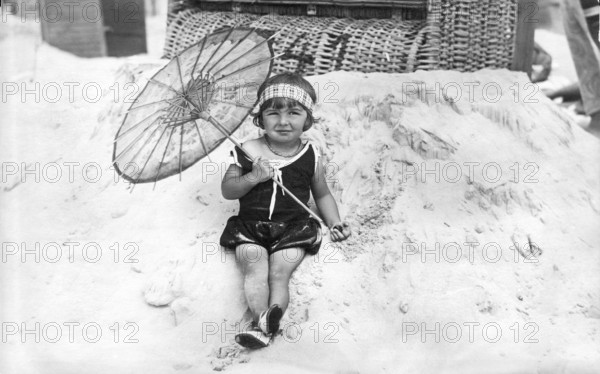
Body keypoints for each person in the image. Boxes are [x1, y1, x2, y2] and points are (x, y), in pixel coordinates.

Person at [219, 72, 352, 348]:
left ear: (307, 119)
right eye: (272, 113)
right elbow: (228, 189)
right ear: (260, 119)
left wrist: (335, 222)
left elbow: (323, 193)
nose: (283, 121)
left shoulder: (310, 154)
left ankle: (272, 316)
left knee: (280, 272)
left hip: (293, 228)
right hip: (250, 228)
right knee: (254, 266)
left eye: (294, 112)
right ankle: (261, 322)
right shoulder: (246, 150)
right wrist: (252, 177)